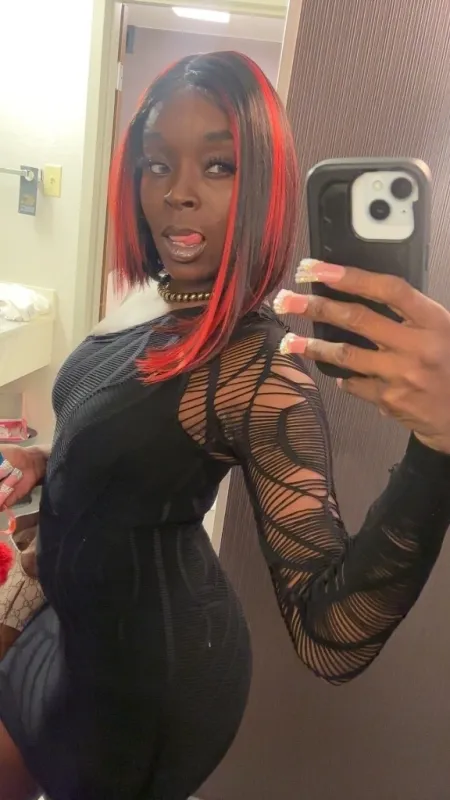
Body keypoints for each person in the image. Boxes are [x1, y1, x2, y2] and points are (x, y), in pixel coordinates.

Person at [0, 51, 450, 800]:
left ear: (263, 184)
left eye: (218, 166)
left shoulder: (258, 365)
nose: (176, 192)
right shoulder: (159, 291)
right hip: (73, 625)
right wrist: (55, 455)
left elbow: (331, 634)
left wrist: (439, 446)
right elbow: (125, 418)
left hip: (145, 685)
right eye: (156, 164)